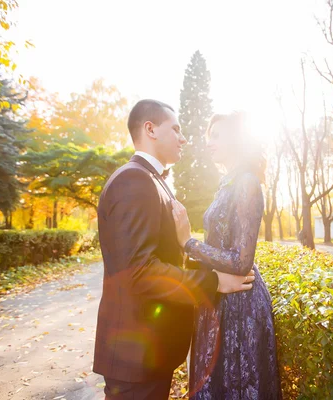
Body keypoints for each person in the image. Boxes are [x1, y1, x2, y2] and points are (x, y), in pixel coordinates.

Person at [93, 100, 256, 400]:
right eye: (176, 129)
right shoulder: (134, 180)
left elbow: (165, 259)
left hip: (150, 351)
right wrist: (214, 282)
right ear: (150, 129)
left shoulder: (154, 181)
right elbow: (140, 272)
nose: (184, 138)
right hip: (135, 356)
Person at [172, 111, 282, 399]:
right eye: (209, 136)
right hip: (221, 299)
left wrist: (189, 243)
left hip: (241, 304)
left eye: (217, 136)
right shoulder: (227, 184)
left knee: (237, 386)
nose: (209, 142)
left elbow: (241, 261)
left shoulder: (246, 182)